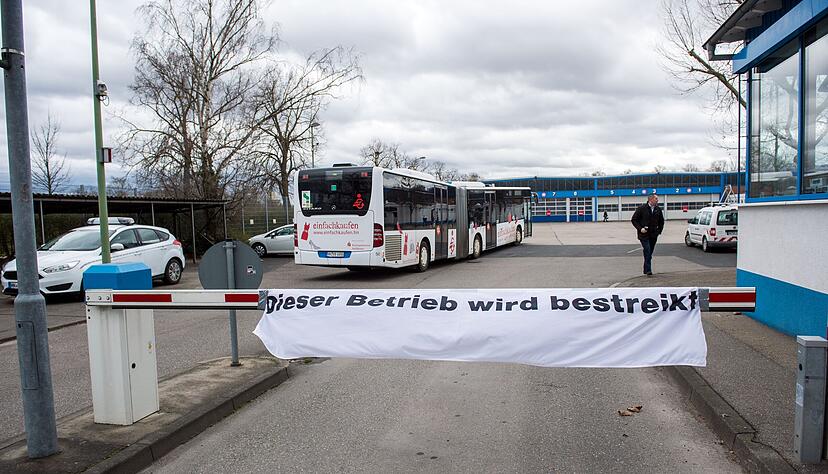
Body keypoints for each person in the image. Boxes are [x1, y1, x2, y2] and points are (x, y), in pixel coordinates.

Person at [630, 194, 664, 276]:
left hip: (654, 235)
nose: (657, 200)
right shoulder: (642, 208)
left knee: (649, 252)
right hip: (644, 234)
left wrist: (659, 231)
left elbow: (661, 221)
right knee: (647, 250)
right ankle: (648, 270)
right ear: (650, 199)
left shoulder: (658, 209)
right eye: (656, 199)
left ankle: (646, 268)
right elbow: (634, 220)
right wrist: (640, 229)